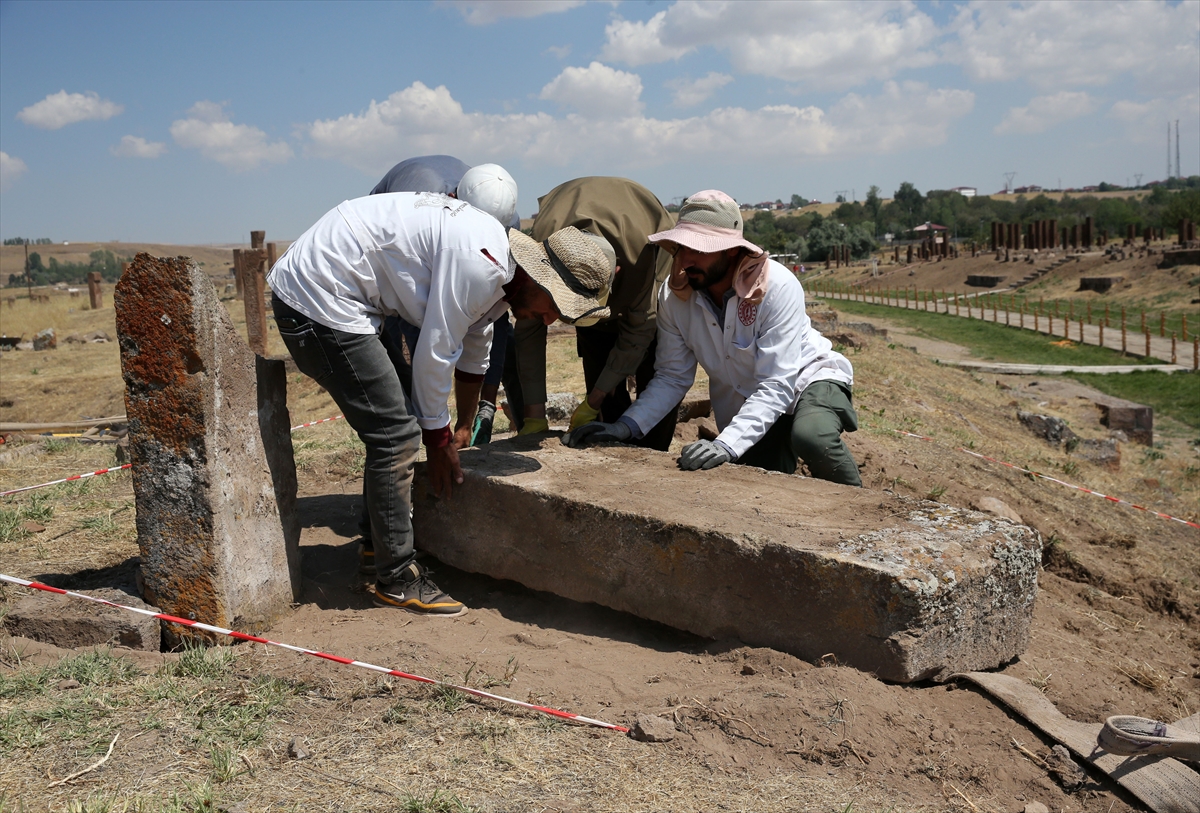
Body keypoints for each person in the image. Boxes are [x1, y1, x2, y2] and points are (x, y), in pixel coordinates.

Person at [269, 192, 614, 615]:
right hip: (318, 297)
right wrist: (438, 440)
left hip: (344, 293)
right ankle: (396, 578)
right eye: (555, 308)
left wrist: (462, 427)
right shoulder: (480, 265)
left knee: (399, 425)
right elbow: (435, 353)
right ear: (539, 278)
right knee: (396, 435)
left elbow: (475, 352)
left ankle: (379, 549)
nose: (549, 321)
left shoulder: (501, 274)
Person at [564, 190, 862, 486]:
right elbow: (672, 376)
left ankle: (863, 511)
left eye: (699, 250)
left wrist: (725, 443)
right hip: (748, 401)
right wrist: (625, 427)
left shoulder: (777, 286)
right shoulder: (674, 295)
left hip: (807, 378)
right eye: (681, 247)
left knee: (812, 436)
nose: (684, 261)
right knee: (761, 482)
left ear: (732, 250)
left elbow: (777, 383)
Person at [513, 177, 679, 450]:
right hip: (571, 237)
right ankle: (611, 448)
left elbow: (639, 331)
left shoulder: (642, 260)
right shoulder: (546, 249)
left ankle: (652, 456)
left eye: (559, 310)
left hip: (651, 266)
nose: (550, 320)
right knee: (599, 363)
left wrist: (593, 401)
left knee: (656, 375)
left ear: (614, 276)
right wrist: (534, 415)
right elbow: (528, 330)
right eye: (558, 305)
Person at [370, 156, 523, 445]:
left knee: (486, 312)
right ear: (454, 201)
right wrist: (437, 431)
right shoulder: (420, 203)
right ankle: (410, 433)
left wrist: (469, 420)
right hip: (393, 254)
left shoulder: (507, 221)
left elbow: (489, 322)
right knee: (398, 339)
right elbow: (429, 338)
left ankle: (473, 419)